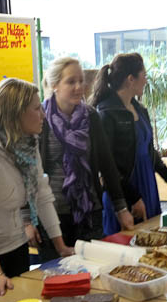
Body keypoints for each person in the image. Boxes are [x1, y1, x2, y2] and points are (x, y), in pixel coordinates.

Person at [0, 78, 74, 297]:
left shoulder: (28, 144)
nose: (43, 115)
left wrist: (61, 247)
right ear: (16, 113)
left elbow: (42, 197)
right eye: (37, 108)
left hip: (14, 243)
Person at [25, 57, 134, 262]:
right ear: (55, 84)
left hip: (88, 211)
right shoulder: (40, 118)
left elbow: (106, 164)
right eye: (71, 81)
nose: (78, 87)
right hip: (53, 215)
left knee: (95, 270)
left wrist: (121, 208)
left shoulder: (91, 116)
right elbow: (28, 173)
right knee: (58, 274)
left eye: (81, 81)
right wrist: (27, 220)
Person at [90, 53, 167, 235]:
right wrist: (133, 198)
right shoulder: (106, 114)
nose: (146, 80)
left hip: (147, 186)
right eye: (144, 75)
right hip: (124, 191)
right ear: (130, 79)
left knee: (153, 241)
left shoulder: (140, 110)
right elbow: (108, 166)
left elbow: (150, 153)